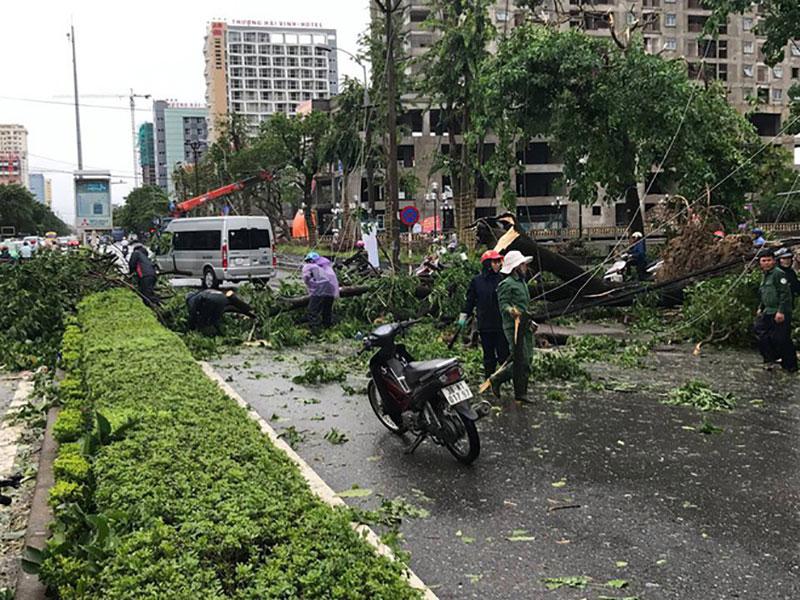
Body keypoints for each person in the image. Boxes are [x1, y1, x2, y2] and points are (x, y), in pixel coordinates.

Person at [490, 250, 535, 403]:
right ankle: (497, 378)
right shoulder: (506, 284)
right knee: (520, 359)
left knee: (527, 359)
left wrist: (530, 321)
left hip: (525, 325)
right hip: (513, 327)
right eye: (522, 264)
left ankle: (521, 392)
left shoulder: (522, 283)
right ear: (516, 267)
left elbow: (525, 306)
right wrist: (512, 311)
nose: (525, 267)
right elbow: (503, 305)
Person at [458, 250, 509, 379]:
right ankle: (489, 380)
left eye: (499, 262)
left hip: (501, 324)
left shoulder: (502, 279)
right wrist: (463, 317)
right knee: (488, 356)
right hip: (485, 325)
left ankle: (502, 380)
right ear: (487, 264)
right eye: (495, 262)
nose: (498, 264)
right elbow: (470, 300)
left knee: (504, 355)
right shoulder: (477, 281)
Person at [754, 248, 797, 372]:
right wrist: (761, 307)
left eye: (769, 260)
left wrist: (781, 311)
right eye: (764, 261)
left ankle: (790, 366)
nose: (766, 263)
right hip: (768, 311)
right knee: (761, 333)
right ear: (760, 262)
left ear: (774, 261)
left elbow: (785, 294)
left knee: (782, 338)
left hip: (779, 312)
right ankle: (769, 359)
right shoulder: (765, 275)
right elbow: (765, 293)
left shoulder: (778, 274)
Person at [186, 289, 255, 334]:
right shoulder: (203, 292)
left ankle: (207, 332)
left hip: (211, 301)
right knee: (215, 317)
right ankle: (252, 313)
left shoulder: (191, 300)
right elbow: (235, 306)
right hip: (223, 299)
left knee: (205, 320)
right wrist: (250, 313)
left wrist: (190, 327)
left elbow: (192, 314)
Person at [302, 251, 340, 329]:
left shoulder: (310, 266)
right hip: (330, 292)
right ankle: (327, 328)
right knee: (327, 311)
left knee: (312, 311)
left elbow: (306, 277)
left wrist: (310, 285)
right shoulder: (326, 266)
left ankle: (315, 330)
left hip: (318, 291)